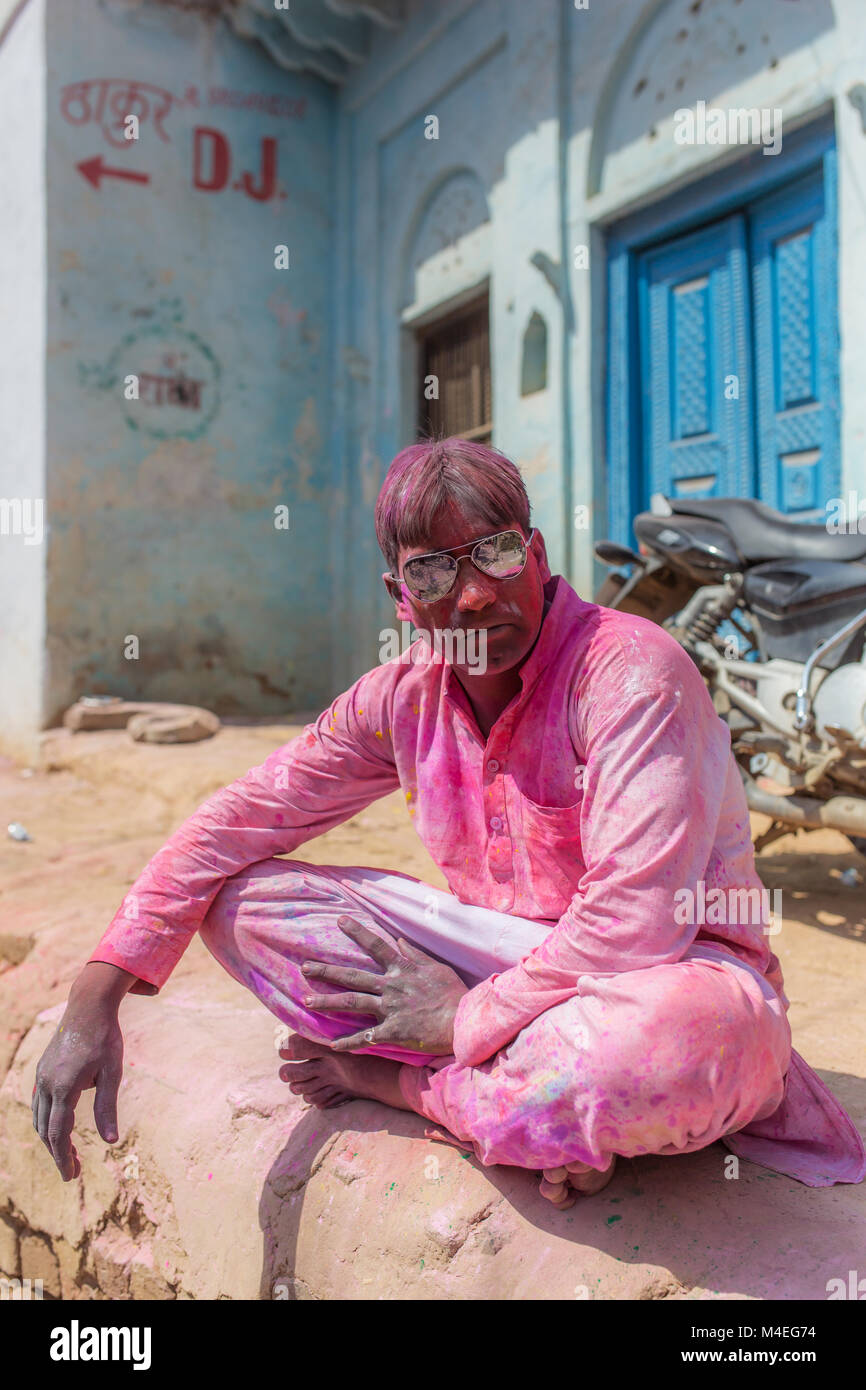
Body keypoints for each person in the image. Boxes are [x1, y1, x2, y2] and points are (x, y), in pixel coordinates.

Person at [33, 438, 865, 1211]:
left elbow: (639, 924)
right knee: (243, 905)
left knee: (683, 1044)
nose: (471, 596)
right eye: (431, 574)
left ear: (535, 557)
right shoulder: (402, 696)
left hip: (668, 970)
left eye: (495, 554)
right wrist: (94, 996)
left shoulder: (629, 669)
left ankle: (410, 1087)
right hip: (501, 962)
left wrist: (458, 1019)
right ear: (401, 599)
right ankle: (535, 1103)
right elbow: (237, 822)